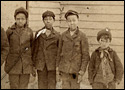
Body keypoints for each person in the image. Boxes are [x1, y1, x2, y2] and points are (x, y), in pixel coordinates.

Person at [56, 10, 90, 89]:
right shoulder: (63, 36)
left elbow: (85, 56)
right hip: (64, 70)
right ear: (67, 22)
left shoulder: (82, 36)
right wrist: (58, 69)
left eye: (74, 20)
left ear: (78, 20)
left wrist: (81, 72)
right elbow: (59, 53)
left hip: (76, 71)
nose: (72, 23)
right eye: (69, 21)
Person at [5, 7, 35, 89]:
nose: (20, 21)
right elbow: (5, 47)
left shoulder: (29, 32)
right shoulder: (9, 32)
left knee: (24, 86)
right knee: (14, 86)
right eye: (18, 19)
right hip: (13, 64)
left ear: (26, 20)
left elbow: (32, 48)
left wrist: (32, 65)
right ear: (15, 19)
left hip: (26, 65)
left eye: (22, 19)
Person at [32, 10, 60, 89]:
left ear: (54, 20)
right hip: (41, 65)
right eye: (46, 19)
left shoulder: (57, 35)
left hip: (52, 66)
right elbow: (35, 49)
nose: (48, 21)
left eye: (50, 19)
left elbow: (59, 52)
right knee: (41, 85)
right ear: (43, 21)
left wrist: (57, 66)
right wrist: (34, 65)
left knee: (51, 86)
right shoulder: (39, 33)